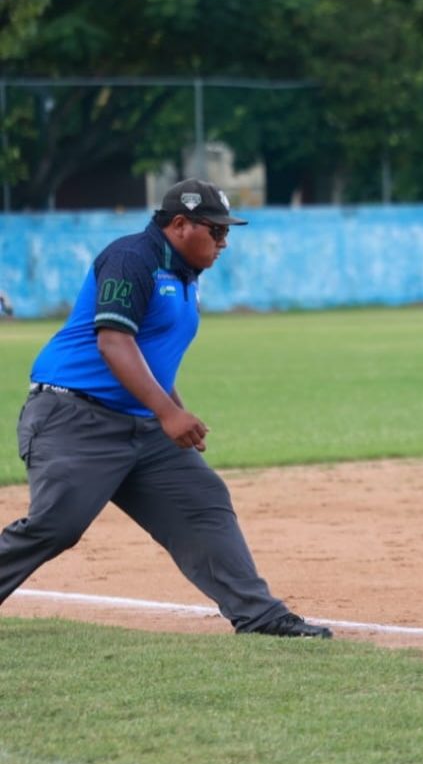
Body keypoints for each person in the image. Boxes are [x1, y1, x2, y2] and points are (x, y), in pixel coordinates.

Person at [1, 179, 332, 639]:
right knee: (58, 525)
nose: (223, 241)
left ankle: (258, 615)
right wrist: (168, 413)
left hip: (140, 423)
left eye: (226, 231)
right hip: (73, 417)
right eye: (216, 230)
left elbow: (151, 357)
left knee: (202, 501)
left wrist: (173, 409)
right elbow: (114, 342)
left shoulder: (184, 275)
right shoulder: (131, 258)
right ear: (180, 225)